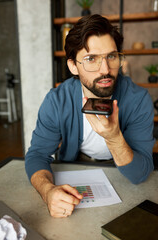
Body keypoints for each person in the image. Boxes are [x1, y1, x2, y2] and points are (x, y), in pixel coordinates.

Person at [25, 14, 155, 218]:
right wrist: (47, 191)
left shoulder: (138, 100)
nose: (105, 70)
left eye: (111, 56)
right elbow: (37, 155)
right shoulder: (57, 101)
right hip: (73, 172)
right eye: (91, 59)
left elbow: (140, 174)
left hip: (122, 178)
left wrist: (114, 138)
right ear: (72, 66)